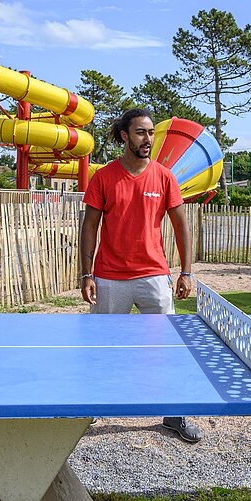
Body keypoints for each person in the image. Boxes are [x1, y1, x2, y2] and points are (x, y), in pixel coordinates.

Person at [79, 108, 200, 443]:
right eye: (141, 133)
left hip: (153, 275)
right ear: (124, 136)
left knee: (165, 347)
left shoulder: (164, 177)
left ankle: (173, 414)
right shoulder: (103, 177)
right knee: (103, 345)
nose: (148, 139)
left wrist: (186, 272)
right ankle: (92, 406)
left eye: (150, 133)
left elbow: (181, 226)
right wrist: (86, 273)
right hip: (109, 276)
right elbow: (89, 227)